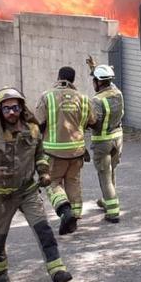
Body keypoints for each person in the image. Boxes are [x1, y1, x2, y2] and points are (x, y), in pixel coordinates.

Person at [0, 87, 72, 282]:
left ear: (21, 107)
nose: (11, 112)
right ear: (0, 112)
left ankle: (57, 271)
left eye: (15, 107)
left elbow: (40, 155)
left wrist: (44, 172)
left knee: (44, 230)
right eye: (6, 109)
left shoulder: (33, 130)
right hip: (2, 197)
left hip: (28, 191)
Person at [35, 66, 96, 235]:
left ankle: (64, 210)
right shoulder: (83, 98)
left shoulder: (47, 96)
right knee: (73, 182)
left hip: (53, 152)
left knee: (52, 183)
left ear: (58, 77)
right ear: (73, 80)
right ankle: (74, 219)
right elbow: (92, 121)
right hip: (77, 151)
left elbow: (38, 123)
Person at [89, 64, 124, 223]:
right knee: (111, 172)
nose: (93, 83)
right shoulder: (118, 93)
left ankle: (112, 212)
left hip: (102, 142)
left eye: (94, 80)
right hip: (118, 139)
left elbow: (94, 121)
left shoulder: (97, 100)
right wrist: (95, 68)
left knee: (105, 176)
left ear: (98, 82)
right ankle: (107, 200)